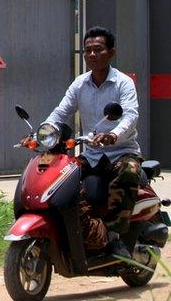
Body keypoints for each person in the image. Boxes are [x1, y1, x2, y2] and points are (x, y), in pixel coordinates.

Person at [44, 26, 141, 258]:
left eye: (98, 49)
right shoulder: (80, 84)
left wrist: (114, 135)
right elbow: (60, 113)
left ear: (111, 53)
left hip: (122, 151)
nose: (92, 55)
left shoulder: (123, 83)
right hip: (91, 154)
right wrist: (43, 132)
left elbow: (130, 115)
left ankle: (116, 237)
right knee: (62, 178)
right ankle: (81, 231)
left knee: (128, 172)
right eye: (87, 50)